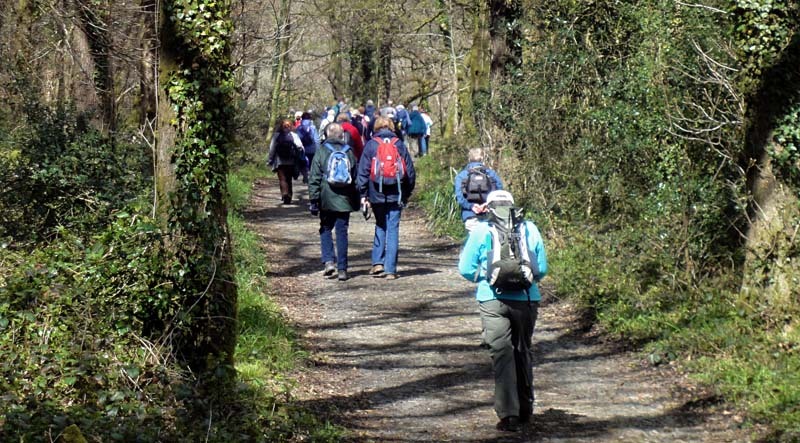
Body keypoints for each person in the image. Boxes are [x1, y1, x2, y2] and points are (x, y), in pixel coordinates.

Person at [458, 190, 547, 432]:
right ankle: (526, 408)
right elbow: (542, 268)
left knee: (502, 354)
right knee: (523, 350)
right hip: (527, 299)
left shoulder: (480, 230)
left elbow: (465, 269)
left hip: (492, 300)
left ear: (489, 208)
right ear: (511, 207)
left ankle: (508, 415)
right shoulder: (530, 229)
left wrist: (485, 278)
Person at [357, 116, 416, 280]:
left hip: (376, 192)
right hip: (396, 193)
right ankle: (391, 269)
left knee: (380, 225)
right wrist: (407, 192)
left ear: (376, 128)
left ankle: (377, 263)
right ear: (391, 127)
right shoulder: (399, 144)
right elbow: (410, 172)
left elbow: (362, 171)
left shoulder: (371, 145)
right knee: (393, 229)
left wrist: (363, 194)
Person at [307, 123, 359, 281]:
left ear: (326, 135)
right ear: (342, 135)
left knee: (325, 228)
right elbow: (355, 177)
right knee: (342, 232)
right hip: (344, 199)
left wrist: (314, 199)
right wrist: (357, 198)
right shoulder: (349, 151)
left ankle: (329, 261)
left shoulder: (321, 151)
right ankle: (342, 269)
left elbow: (314, 177)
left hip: (326, 198)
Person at [454, 148, 504, 231]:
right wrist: (487, 205)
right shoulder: (491, 174)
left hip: (470, 215)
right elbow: (499, 192)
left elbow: (459, 197)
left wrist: (471, 206)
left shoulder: (461, 176)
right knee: (490, 241)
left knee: (475, 241)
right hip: (489, 214)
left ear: (469, 158)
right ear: (482, 158)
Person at [267, 118, 304, 204]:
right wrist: (298, 158)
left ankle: (284, 194)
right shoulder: (294, 135)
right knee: (289, 179)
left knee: (282, 179)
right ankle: (289, 196)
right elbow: (300, 147)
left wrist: (270, 160)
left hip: (280, 161)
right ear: (291, 126)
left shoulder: (276, 135)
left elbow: (272, 149)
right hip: (291, 161)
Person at [296, 111, 319, 184]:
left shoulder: (299, 128)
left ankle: (305, 176)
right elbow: (316, 139)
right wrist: (318, 149)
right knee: (312, 164)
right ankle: (311, 177)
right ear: (310, 119)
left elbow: (297, 138)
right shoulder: (313, 127)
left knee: (302, 163)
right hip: (312, 149)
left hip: (302, 149)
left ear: (302, 118)